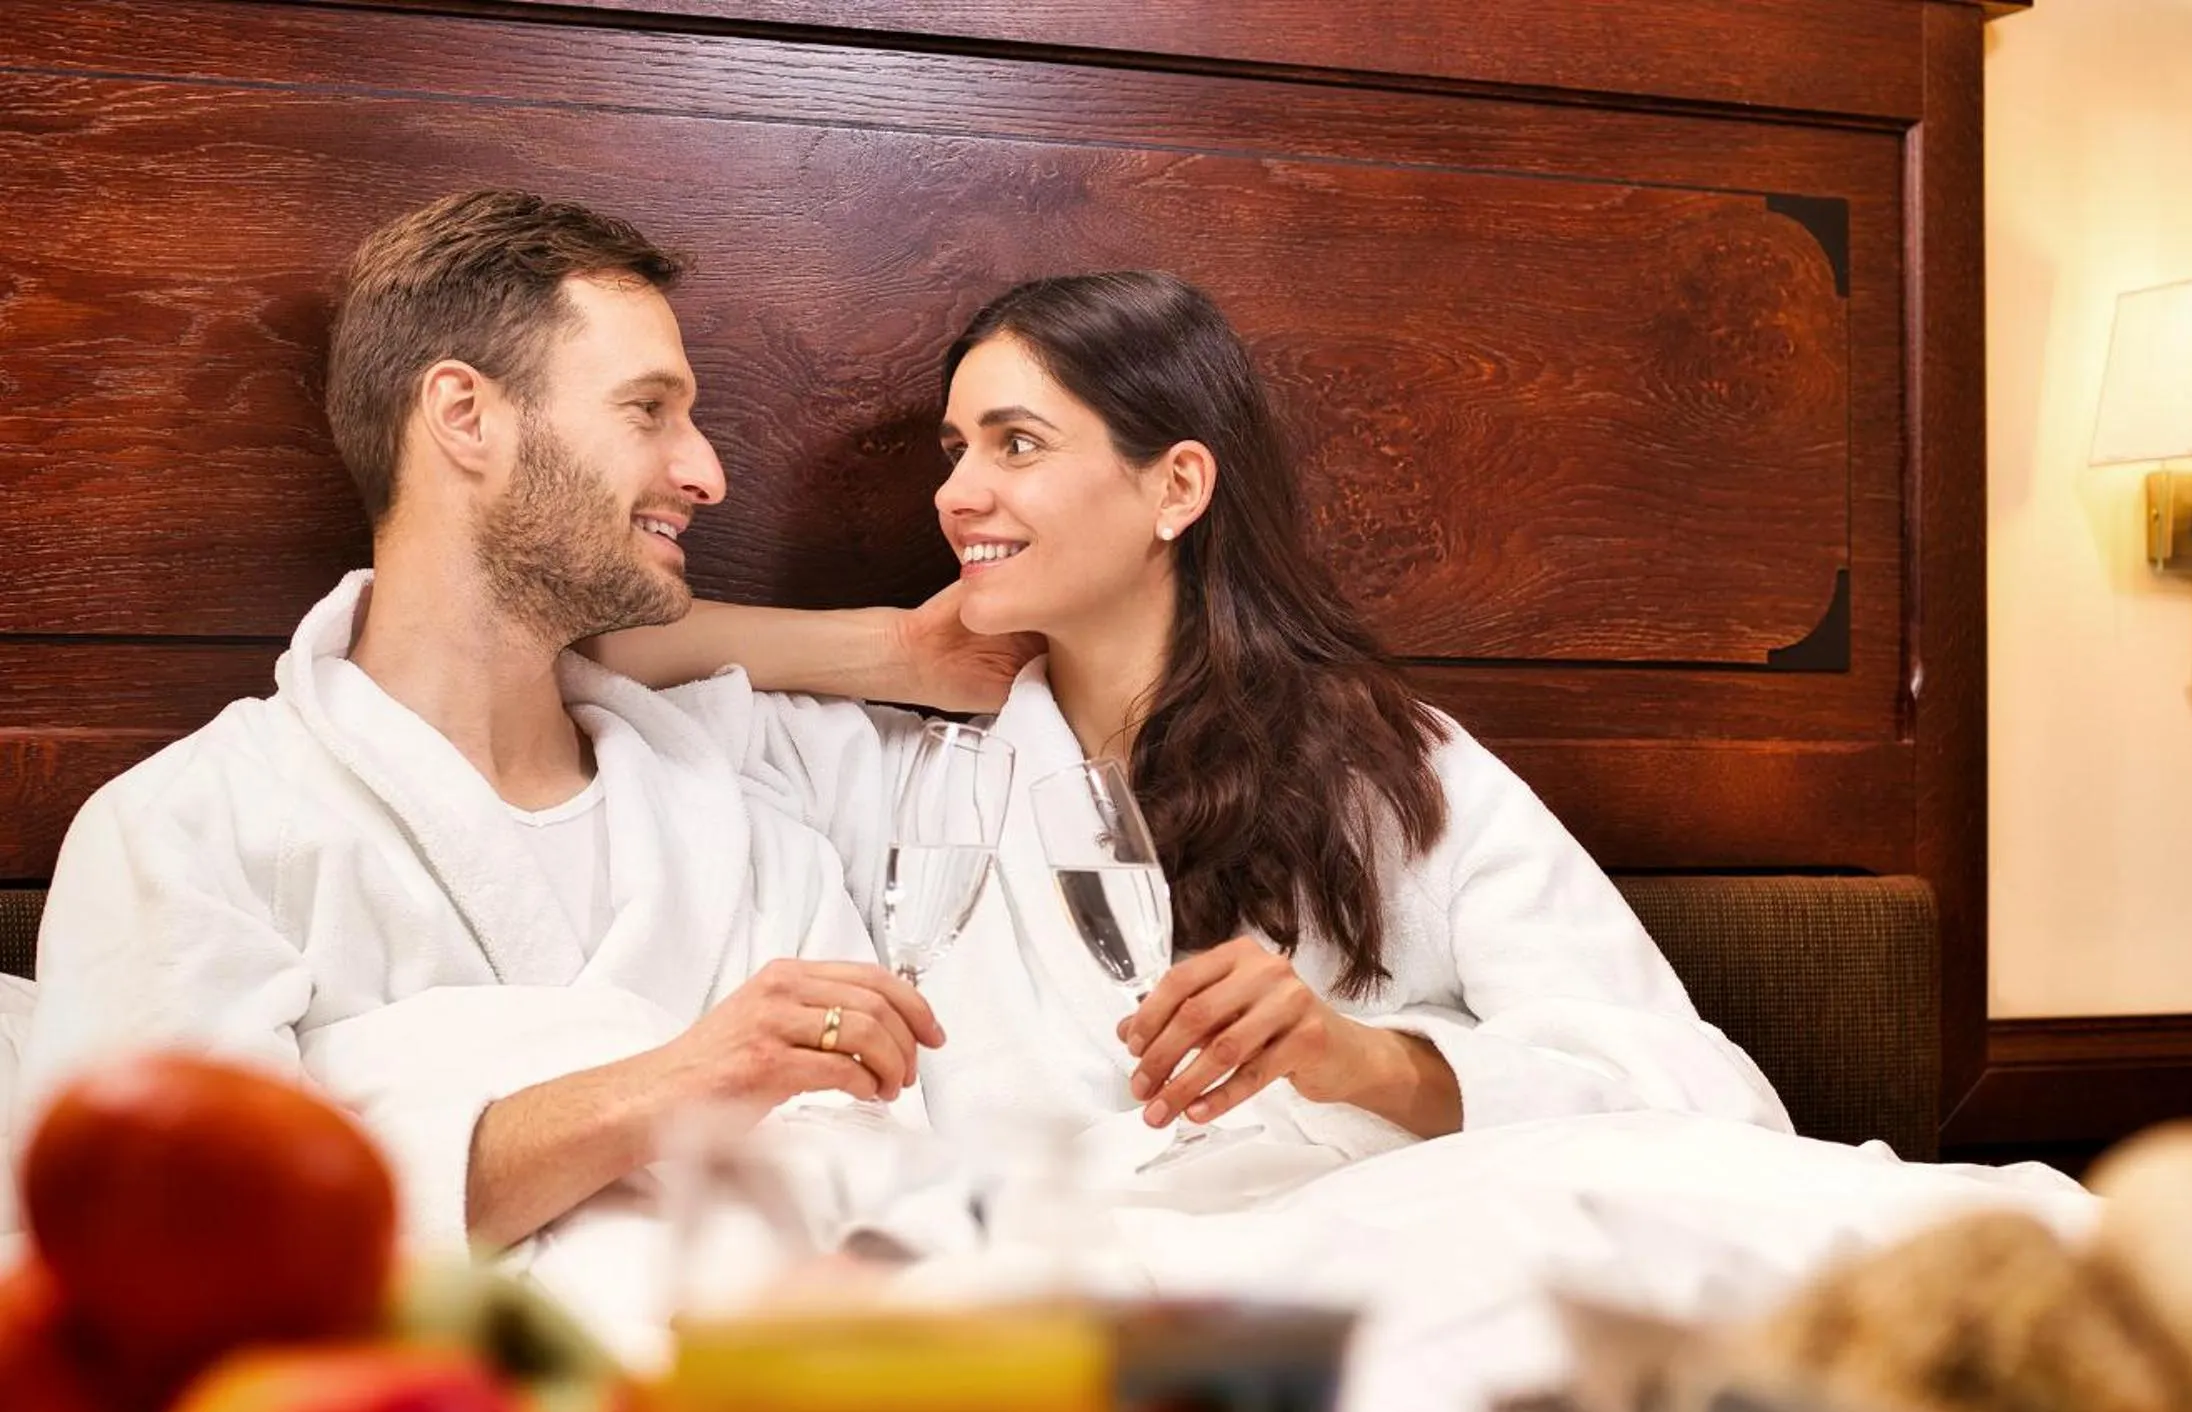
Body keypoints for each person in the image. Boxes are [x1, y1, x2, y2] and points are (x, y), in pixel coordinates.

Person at [12, 190, 1029, 1350]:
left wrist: (382, 1104)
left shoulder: (739, 817)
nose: (704, 472)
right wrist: (667, 1088)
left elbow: (891, 1176)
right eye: (649, 408)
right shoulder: (187, 831)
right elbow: (154, 1260)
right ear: (464, 415)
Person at [592, 270, 1789, 1204]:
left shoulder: (1385, 770)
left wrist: (1368, 1062)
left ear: (1175, 487)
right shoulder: (884, 772)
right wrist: (894, 654)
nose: (957, 493)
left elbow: (1699, 1097)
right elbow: (558, 649)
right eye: (955, 451)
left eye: (1016, 443)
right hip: (1051, 1293)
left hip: (1356, 1285)